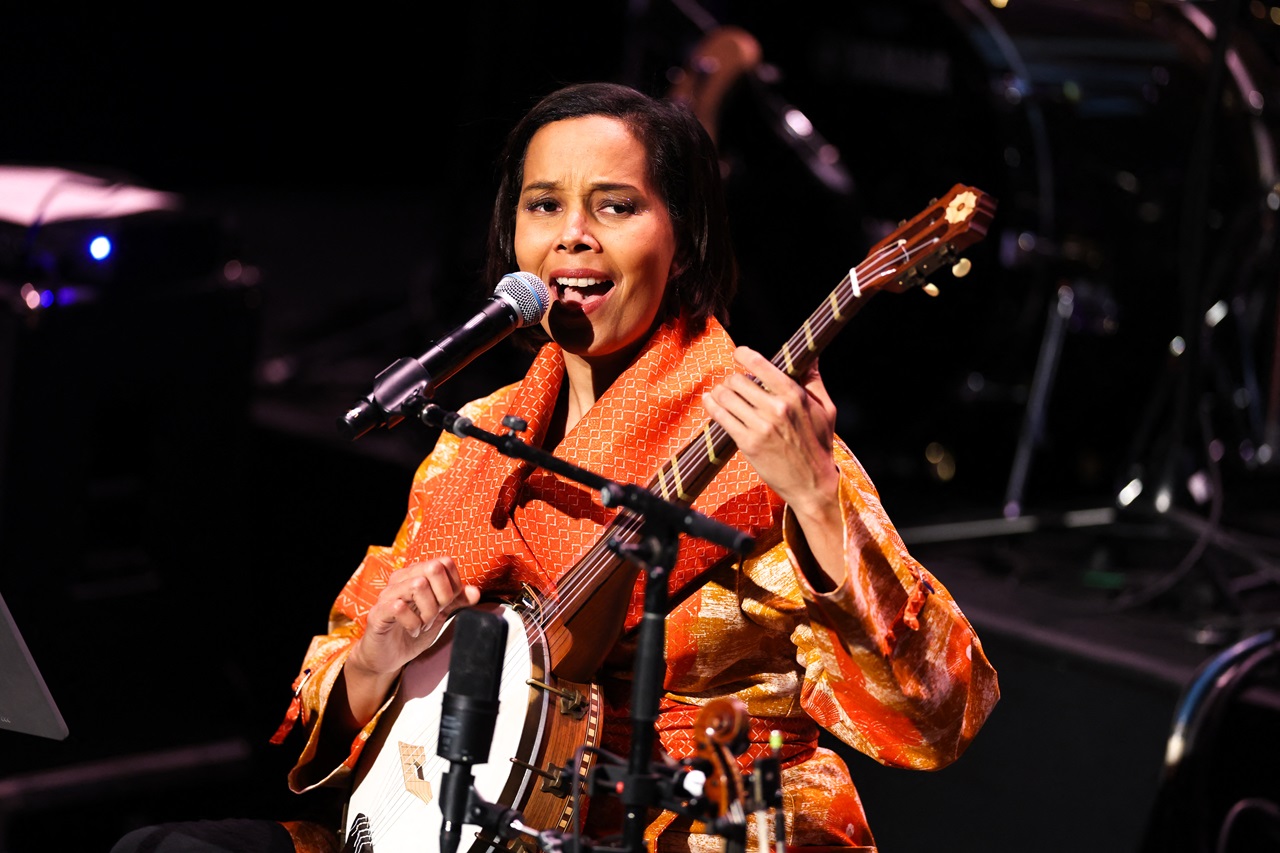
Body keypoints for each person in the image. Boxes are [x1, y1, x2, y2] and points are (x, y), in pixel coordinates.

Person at [116, 81, 999, 853]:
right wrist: (376, 660)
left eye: (615, 206)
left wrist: (812, 496)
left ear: (683, 239)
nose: (572, 236)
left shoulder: (762, 439)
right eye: (544, 206)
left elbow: (938, 717)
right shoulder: (477, 431)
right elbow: (331, 688)